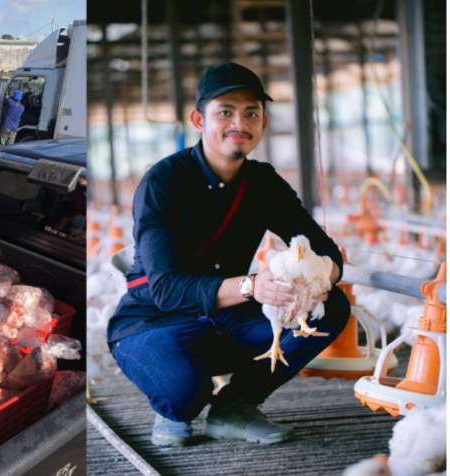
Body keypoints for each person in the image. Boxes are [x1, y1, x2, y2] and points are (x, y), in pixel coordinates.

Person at [107, 62, 350, 447]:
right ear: (199, 120)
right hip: (155, 320)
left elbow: (325, 249)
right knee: (185, 393)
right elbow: (168, 289)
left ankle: (235, 405)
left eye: (251, 113)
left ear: (263, 124)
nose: (240, 122)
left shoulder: (263, 182)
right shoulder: (164, 182)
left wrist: (321, 280)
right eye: (225, 112)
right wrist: (254, 286)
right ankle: (177, 404)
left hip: (227, 317)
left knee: (332, 306)